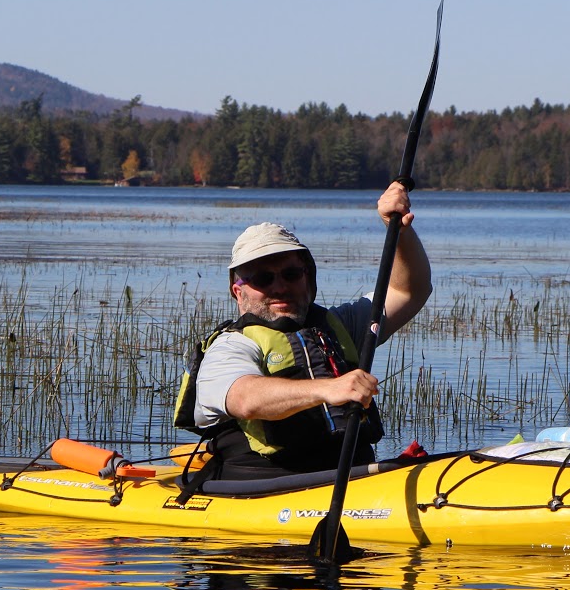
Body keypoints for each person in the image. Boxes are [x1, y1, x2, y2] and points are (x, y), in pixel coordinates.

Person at [175, 182, 431, 480]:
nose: (279, 286)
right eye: (263, 278)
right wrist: (328, 388)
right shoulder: (229, 347)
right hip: (262, 488)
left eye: (291, 274)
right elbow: (245, 398)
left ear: (308, 278)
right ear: (238, 292)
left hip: (354, 479)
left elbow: (408, 290)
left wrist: (398, 231)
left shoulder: (341, 325)